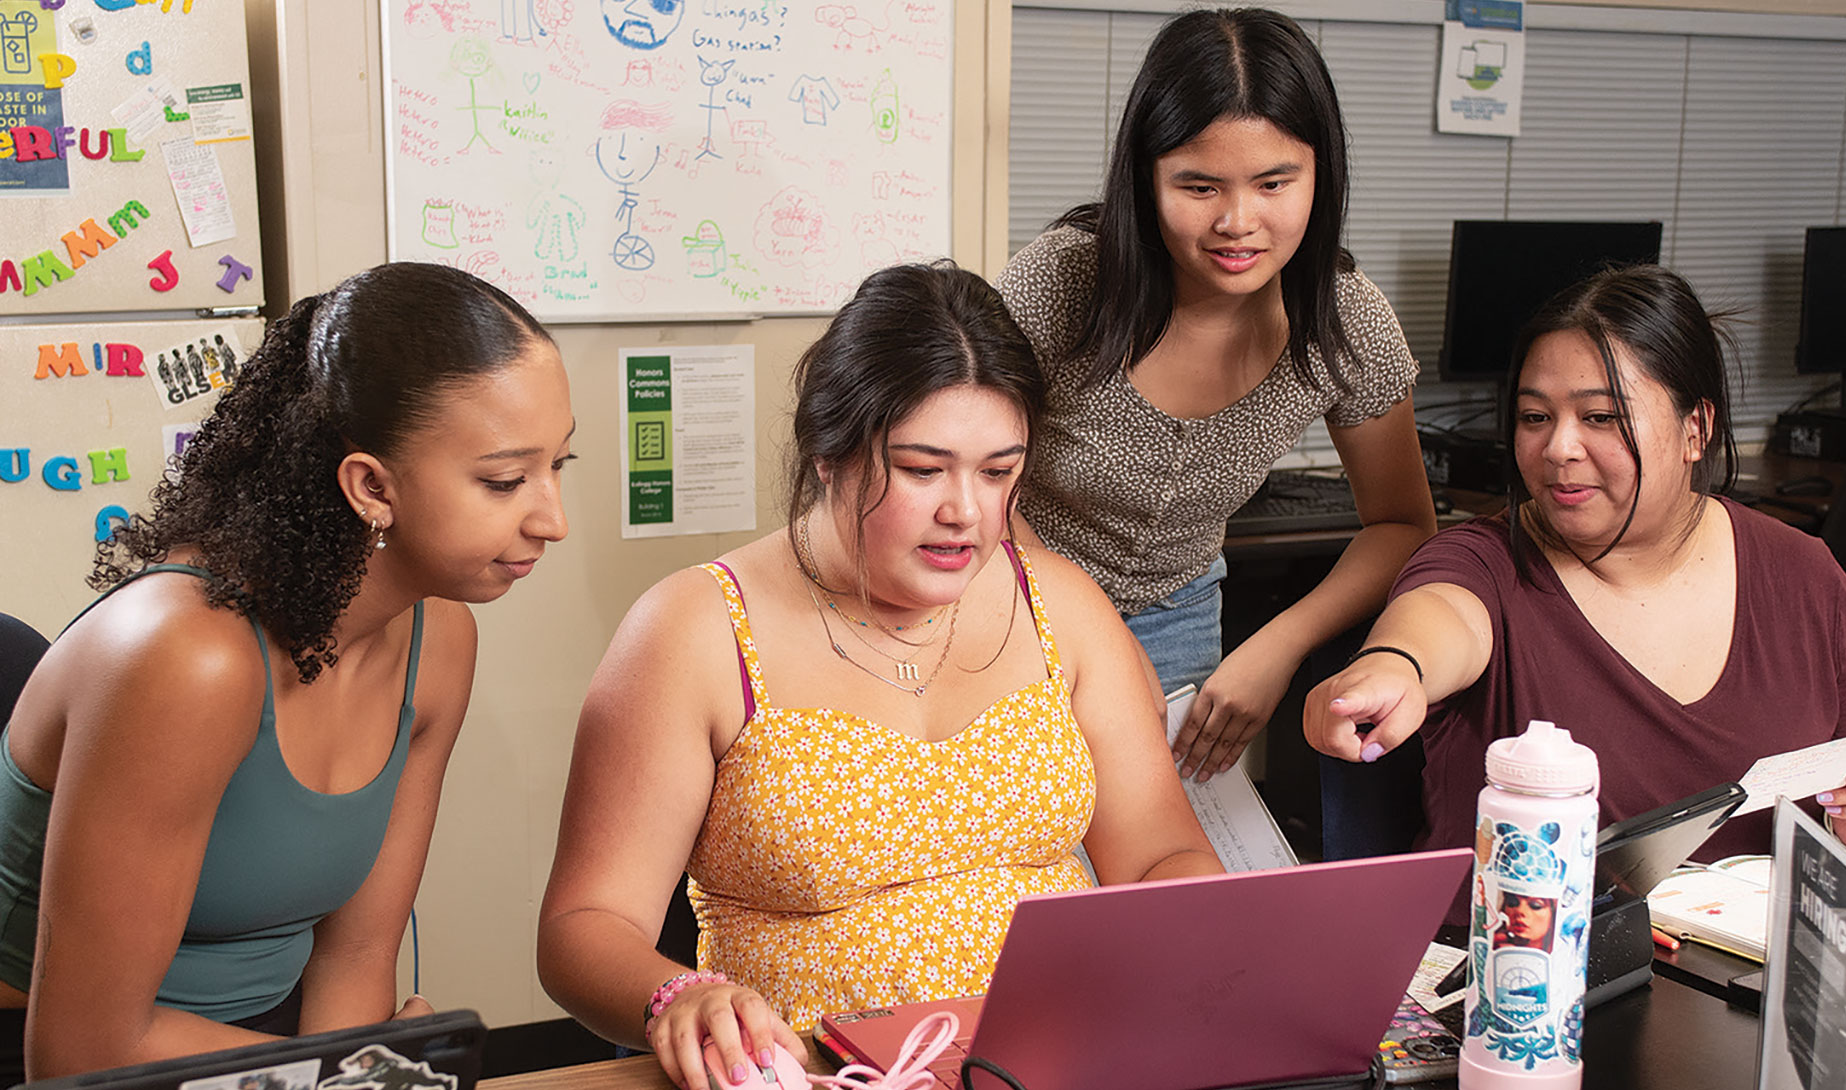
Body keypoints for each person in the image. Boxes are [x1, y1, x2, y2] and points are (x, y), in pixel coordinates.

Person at [537, 263, 1221, 1090]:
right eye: (923, 469)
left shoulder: (1061, 605)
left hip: (1059, 1059)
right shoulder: (696, 629)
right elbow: (584, 926)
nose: (965, 511)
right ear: (829, 452)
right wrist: (676, 994)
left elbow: (1159, 857)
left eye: (999, 472)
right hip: (814, 1076)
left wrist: (1206, 941)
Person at [0, 263, 574, 1078]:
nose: (553, 519)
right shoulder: (187, 659)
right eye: (505, 481)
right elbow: (80, 1055)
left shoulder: (440, 641)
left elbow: (357, 960)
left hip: (272, 1043)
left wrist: (356, 1065)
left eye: (561, 465)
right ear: (371, 486)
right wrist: (360, 1072)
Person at [1302, 265, 1846, 880]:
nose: (1558, 449)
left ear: (1694, 429)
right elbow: (1438, 617)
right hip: (1522, 967)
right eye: (1535, 417)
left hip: (1746, 968)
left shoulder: (1800, 573)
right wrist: (1395, 667)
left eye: (1599, 417)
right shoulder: (1482, 560)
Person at [995, 7, 1436, 783]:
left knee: (1166, 870)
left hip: (1180, 620)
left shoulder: (1345, 321)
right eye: (1198, 186)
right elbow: (961, 476)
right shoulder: (1061, 282)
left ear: (1319, 173)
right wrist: (1083, 626)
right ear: (1146, 178)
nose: (1238, 223)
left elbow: (1401, 524)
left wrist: (1275, 647)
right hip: (1011, 592)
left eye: (1274, 182)